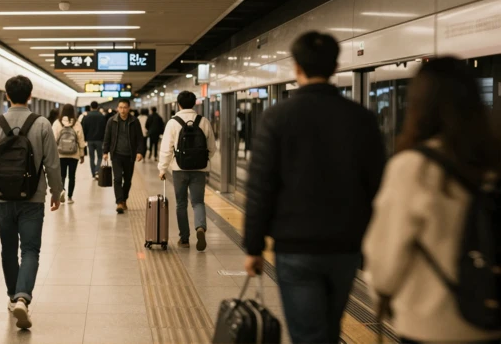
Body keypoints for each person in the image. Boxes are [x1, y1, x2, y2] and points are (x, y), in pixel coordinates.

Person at [244, 31, 386, 344]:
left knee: (308, 334)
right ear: (335, 67)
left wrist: (253, 246)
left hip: (296, 247)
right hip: (345, 246)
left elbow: (260, 187)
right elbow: (377, 185)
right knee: (330, 329)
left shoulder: (276, 117)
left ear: (296, 67)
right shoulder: (360, 118)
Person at [363, 58, 501, 343]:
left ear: (419, 105)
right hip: (491, 319)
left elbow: (384, 261)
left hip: (432, 325)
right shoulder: (493, 163)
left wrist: (381, 293)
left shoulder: (414, 167)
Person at [0, 75, 62, 330]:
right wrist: (57, 193)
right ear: (31, 96)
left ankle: (14, 298)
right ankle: (23, 296)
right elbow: (52, 165)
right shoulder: (42, 124)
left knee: (8, 248)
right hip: (32, 198)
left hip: (2, 198)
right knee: (31, 250)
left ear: (7, 96)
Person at [158, 91, 217, 251]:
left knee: (181, 204)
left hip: (179, 169)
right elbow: (212, 148)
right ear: (194, 103)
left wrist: (162, 168)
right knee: (198, 202)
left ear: (178, 104)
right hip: (199, 169)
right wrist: (203, 159)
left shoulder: (172, 122)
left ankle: (184, 239)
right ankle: (200, 227)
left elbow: (166, 149)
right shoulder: (203, 121)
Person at [103, 99, 146, 214]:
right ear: (117, 108)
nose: (122, 110)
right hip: (116, 154)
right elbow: (107, 137)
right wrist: (105, 151)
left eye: (125, 107)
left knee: (127, 180)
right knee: (117, 179)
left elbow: (140, 138)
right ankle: (119, 202)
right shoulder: (111, 121)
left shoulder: (134, 121)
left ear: (129, 108)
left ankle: (124, 199)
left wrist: (140, 152)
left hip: (129, 155)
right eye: (120, 107)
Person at [52, 104, 86, 204]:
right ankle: (70, 197)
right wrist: (82, 154)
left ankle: (62, 191)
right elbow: (81, 139)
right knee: (72, 176)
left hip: (60, 154)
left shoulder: (57, 123)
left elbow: (53, 139)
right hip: (74, 154)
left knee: (62, 175)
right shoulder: (77, 123)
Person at [81, 101, 107, 179]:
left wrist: (84, 139)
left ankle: (93, 173)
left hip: (90, 140)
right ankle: (97, 171)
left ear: (90, 107)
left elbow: (83, 128)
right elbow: (105, 128)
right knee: (100, 156)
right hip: (99, 140)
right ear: (98, 106)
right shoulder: (102, 116)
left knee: (91, 157)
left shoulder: (86, 116)